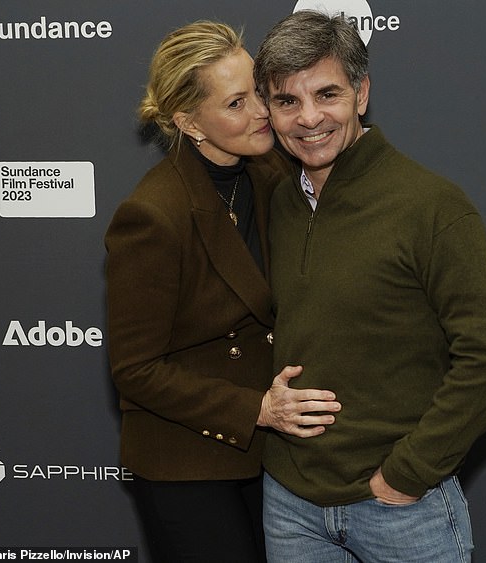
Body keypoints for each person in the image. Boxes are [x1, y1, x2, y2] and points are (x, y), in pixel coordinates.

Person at [253, 10, 486, 563]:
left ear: (362, 93)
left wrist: (409, 473)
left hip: (399, 509)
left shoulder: (430, 205)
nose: (309, 118)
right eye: (287, 101)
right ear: (270, 109)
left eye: (326, 94)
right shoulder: (280, 204)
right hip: (289, 503)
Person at [105, 21, 340, 563]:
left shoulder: (273, 173)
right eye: (236, 103)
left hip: (270, 456)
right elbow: (136, 370)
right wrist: (256, 407)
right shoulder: (153, 216)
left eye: (258, 90)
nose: (262, 111)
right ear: (189, 122)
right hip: (187, 462)